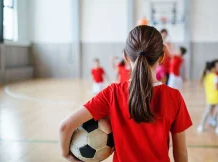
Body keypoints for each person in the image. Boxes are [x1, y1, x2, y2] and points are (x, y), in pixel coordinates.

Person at [59, 25, 192, 162]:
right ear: (162, 56)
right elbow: (181, 152)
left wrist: (67, 155)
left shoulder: (112, 93)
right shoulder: (174, 97)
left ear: (126, 57)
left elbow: (65, 126)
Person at [197, 59, 218, 135]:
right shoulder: (215, 77)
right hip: (217, 97)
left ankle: (200, 126)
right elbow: (217, 88)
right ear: (213, 68)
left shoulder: (206, 76)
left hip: (209, 98)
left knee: (206, 112)